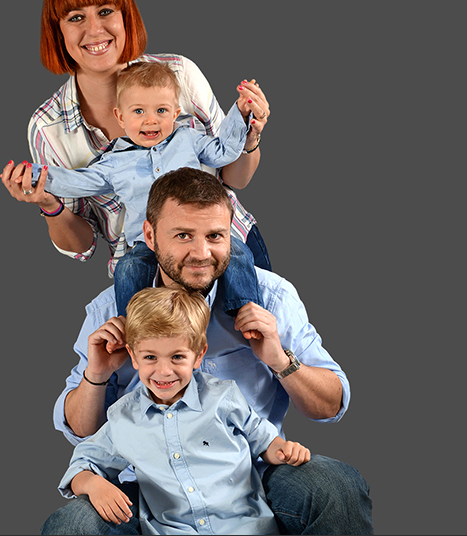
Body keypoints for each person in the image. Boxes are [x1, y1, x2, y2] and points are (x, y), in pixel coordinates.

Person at [41, 168, 372, 535]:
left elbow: (330, 405)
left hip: (248, 475)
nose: (201, 253)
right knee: (72, 525)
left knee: (334, 486)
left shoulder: (270, 298)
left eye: (215, 236)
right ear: (149, 235)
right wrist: (97, 375)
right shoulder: (111, 312)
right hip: (152, 488)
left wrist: (279, 359)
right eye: (183, 235)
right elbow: (83, 436)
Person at [0, 0, 270, 278]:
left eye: (105, 11)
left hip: (228, 249)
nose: (94, 30)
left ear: (125, 15)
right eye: (75, 17)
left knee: (256, 325)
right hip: (149, 276)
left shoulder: (180, 75)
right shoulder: (48, 128)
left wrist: (248, 135)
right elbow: (82, 245)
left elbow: (232, 177)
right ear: (57, 31)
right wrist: (47, 202)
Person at [59, 286, 311, 534]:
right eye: (150, 358)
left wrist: (285, 451)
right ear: (133, 357)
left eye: (177, 357)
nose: (164, 371)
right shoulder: (124, 417)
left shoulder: (223, 396)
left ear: (198, 355)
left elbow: (265, 441)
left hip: (243, 528)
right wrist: (93, 484)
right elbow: (82, 465)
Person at [20, 61, 263, 316]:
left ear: (175, 113)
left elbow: (223, 151)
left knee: (237, 251)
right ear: (120, 117)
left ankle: (246, 311)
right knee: (127, 268)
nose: (151, 120)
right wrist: (35, 177)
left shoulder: (188, 139)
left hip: (198, 234)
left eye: (161, 110)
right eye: (138, 111)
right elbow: (78, 181)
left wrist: (240, 113)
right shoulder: (114, 162)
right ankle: (132, 328)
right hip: (146, 243)